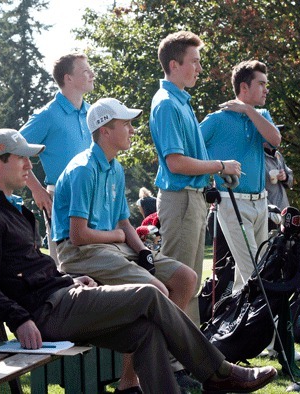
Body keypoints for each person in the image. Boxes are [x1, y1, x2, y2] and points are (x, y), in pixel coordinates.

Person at [0, 128, 277, 394]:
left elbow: (32, 269)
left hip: (61, 298)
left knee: (146, 332)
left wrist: (69, 280)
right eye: (21, 157)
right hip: (45, 315)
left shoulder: (17, 212)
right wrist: (21, 319)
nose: (29, 164)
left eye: (29, 157)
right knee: (149, 293)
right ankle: (218, 372)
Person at [52, 98, 198, 391]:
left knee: (185, 278)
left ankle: (155, 369)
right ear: (105, 130)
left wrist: (142, 251)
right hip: (81, 254)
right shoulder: (83, 169)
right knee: (155, 291)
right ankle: (134, 380)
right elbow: (78, 235)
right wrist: (119, 238)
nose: (132, 130)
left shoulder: (114, 167)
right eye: (126, 124)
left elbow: (123, 223)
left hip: (111, 248)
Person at [149, 31, 241, 326]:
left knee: (190, 281)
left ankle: (187, 357)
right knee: (181, 283)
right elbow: (175, 163)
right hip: (181, 200)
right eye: (195, 61)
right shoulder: (166, 104)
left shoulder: (179, 102)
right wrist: (220, 166)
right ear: (174, 65)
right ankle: (175, 363)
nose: (200, 68)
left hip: (191, 200)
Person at [200, 60, 281, 293]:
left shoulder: (261, 114)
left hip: (261, 202)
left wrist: (248, 110)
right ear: (244, 88)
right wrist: (215, 169)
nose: (266, 89)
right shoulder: (216, 119)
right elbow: (191, 149)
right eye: (261, 84)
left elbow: (275, 140)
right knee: (256, 271)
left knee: (246, 276)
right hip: (232, 202)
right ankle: (268, 328)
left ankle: (234, 322)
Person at [20, 53, 94, 264]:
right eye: (85, 71)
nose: (92, 75)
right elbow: (12, 149)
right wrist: (37, 189)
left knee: (98, 267)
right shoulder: (47, 115)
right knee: (67, 267)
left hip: (92, 198)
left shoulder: (92, 113)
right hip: (61, 200)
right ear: (68, 78)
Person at [264, 142, 293, 210]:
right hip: (268, 211)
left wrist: (285, 177)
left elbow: (291, 182)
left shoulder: (278, 155)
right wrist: (271, 209)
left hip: (284, 208)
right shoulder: (257, 158)